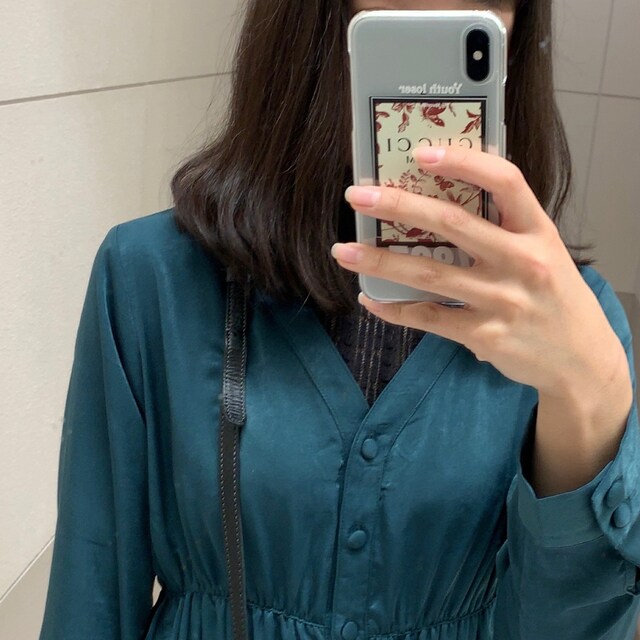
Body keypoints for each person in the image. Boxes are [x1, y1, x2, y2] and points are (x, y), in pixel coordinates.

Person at [39, 0, 640, 638]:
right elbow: (90, 594)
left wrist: (594, 393)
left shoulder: (572, 327)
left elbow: (562, 624)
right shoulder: (151, 278)